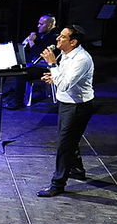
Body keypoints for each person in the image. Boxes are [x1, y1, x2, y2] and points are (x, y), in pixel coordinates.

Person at [36, 24, 95, 197]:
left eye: (62, 37)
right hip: (67, 103)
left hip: (77, 106)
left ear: (74, 42)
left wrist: (52, 65)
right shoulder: (66, 53)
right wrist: (54, 75)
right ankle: (77, 170)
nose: (57, 39)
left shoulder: (82, 59)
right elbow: (63, 77)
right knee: (70, 140)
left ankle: (57, 184)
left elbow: (65, 85)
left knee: (64, 144)